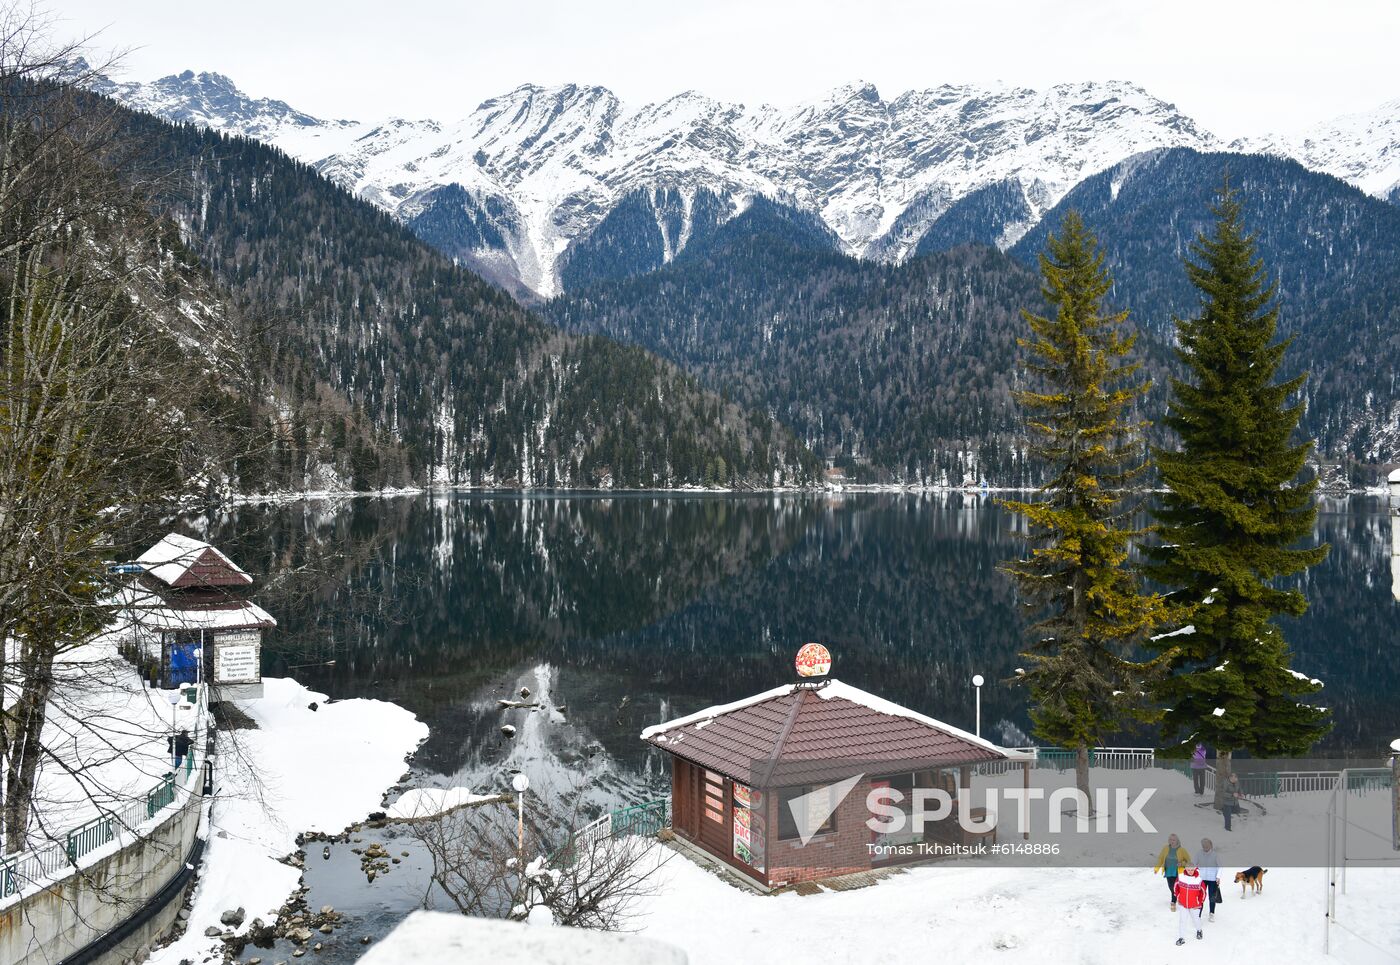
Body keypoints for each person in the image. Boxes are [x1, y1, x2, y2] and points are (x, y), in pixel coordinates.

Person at [1153, 833, 1191, 910]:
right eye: (1170, 840)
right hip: (1169, 871)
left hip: (1178, 872)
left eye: (1173, 840)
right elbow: (1160, 858)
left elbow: (1189, 861)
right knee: (1171, 887)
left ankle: (1173, 901)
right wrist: (1157, 868)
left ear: (1177, 841)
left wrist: (1182, 863)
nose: (1172, 841)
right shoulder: (1165, 848)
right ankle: (1177, 897)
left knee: (1177, 887)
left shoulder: (1182, 850)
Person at [1173, 864, 1206, 944]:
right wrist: (1178, 896)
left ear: (1195, 869)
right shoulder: (1181, 877)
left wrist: (1199, 902)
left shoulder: (1199, 880)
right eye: (1188, 870)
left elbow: (1203, 892)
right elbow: (1175, 887)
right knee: (1182, 920)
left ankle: (1199, 930)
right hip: (1183, 904)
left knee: (1195, 919)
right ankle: (1181, 938)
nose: (1190, 871)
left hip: (1195, 905)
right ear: (1186, 869)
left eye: (1192, 870)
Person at [1199, 837, 1222, 921]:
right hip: (1202, 879)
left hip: (1213, 879)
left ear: (1211, 846)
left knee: (1212, 897)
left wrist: (1218, 877)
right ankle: (1199, 913)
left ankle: (1211, 913)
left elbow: (1220, 867)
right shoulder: (1199, 854)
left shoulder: (1215, 855)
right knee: (1201, 896)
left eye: (1207, 845)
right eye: (1204, 845)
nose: (1205, 847)